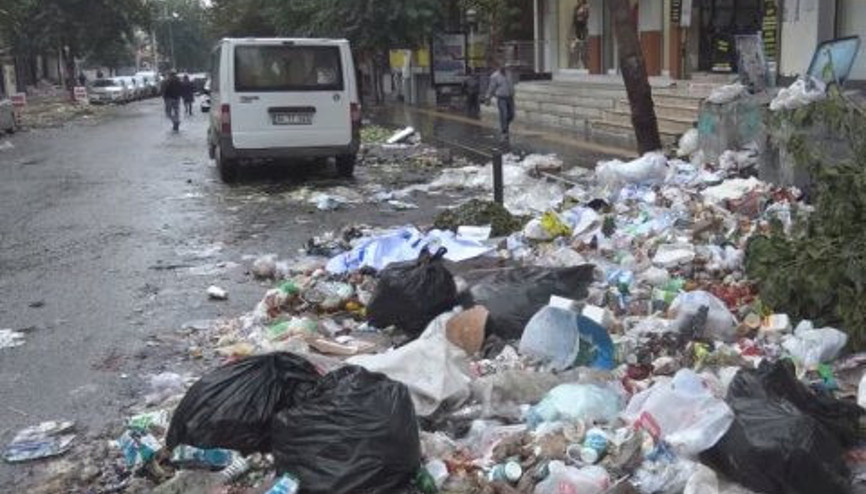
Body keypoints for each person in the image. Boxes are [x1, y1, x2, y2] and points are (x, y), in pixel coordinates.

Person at [485, 62, 516, 141]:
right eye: (502, 66)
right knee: (504, 114)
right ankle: (504, 132)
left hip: (510, 97)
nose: (504, 68)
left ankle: (505, 125)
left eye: (505, 67)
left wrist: (513, 91)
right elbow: (491, 87)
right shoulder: (494, 76)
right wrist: (488, 98)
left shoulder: (509, 74)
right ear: (498, 67)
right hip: (501, 98)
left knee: (511, 114)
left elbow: (511, 83)